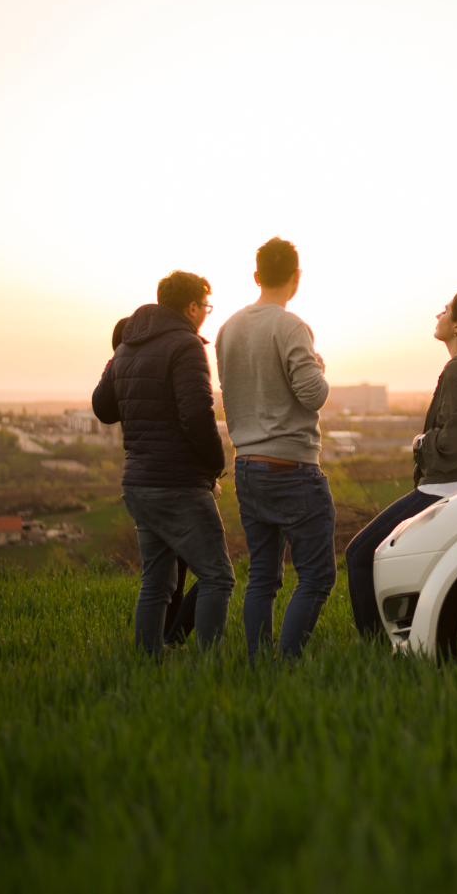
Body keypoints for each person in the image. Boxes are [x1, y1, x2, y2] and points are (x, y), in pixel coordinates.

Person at [345, 290, 457, 638]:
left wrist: (420, 443)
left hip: (445, 489)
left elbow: (456, 443)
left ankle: (378, 650)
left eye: (445, 311)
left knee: (360, 555)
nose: (437, 316)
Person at [93, 271, 235, 654]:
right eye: (205, 306)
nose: (205, 314)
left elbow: (102, 408)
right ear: (191, 306)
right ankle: (210, 670)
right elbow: (197, 415)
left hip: (138, 483)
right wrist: (214, 467)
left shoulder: (127, 346)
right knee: (218, 576)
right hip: (177, 483)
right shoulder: (186, 346)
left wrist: (118, 361)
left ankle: (147, 663)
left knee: (156, 581)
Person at [215, 237, 335, 665]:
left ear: (256, 276)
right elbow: (313, 395)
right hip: (291, 467)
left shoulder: (227, 328)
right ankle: (285, 664)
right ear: (296, 278)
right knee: (318, 575)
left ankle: (256, 664)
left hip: (246, 464)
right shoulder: (290, 326)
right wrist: (319, 366)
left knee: (262, 576)